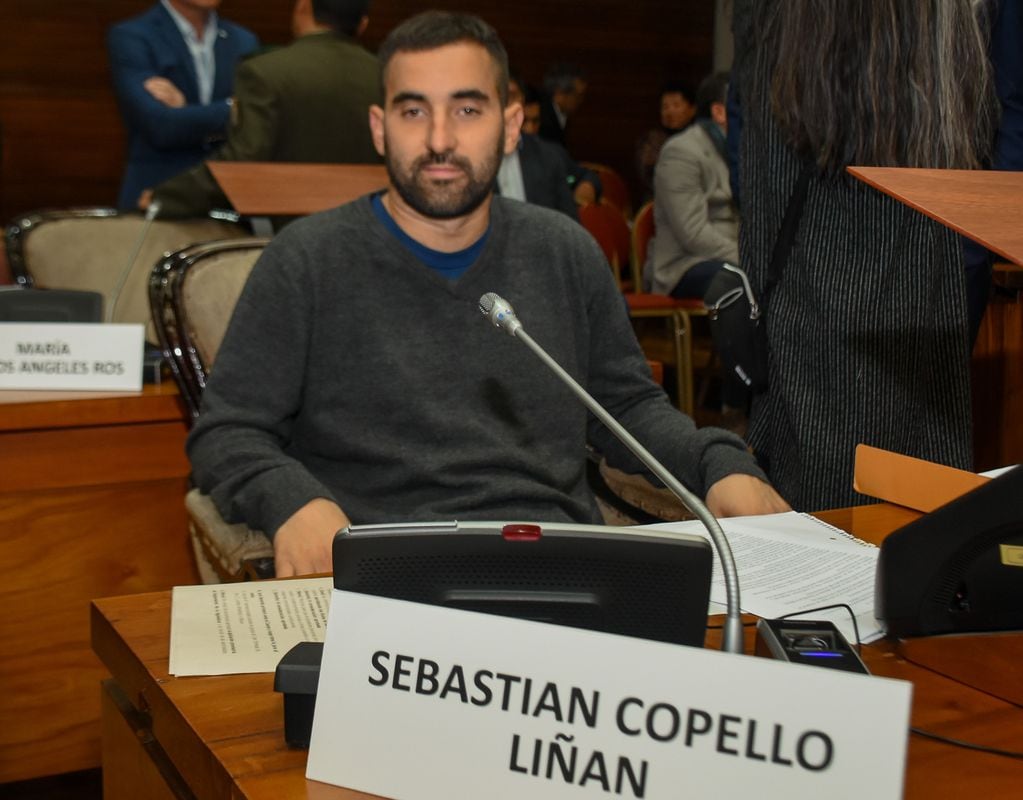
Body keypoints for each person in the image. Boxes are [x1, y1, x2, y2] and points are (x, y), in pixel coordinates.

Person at [186, 10, 789, 578]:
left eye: (468, 111)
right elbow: (228, 432)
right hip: (385, 576)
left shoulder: (564, 251)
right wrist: (294, 503)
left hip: (556, 566)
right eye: (413, 112)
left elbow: (627, 411)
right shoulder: (307, 260)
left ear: (510, 126)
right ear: (379, 128)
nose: (440, 140)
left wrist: (718, 466)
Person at [733, 0, 996, 510]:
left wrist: (759, 289)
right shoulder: (946, 25)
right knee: (918, 498)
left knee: (826, 503)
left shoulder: (784, 23)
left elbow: (763, 172)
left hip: (815, 265)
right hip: (925, 258)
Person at [146, 0, 380, 217]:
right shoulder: (385, 76)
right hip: (370, 223)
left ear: (303, 8)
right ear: (363, 24)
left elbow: (243, 163)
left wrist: (167, 197)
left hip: (286, 230)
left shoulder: (264, 71)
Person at [107, 0, 260, 210]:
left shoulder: (244, 41)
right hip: (155, 196)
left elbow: (254, 122)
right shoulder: (132, 36)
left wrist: (186, 110)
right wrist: (231, 108)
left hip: (224, 200)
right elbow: (160, 126)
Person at [647, 72, 735, 299]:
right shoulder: (681, 151)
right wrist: (748, 257)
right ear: (720, 112)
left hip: (730, 254)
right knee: (740, 278)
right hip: (685, 264)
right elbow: (693, 234)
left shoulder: (739, 149)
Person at [496, 76, 600, 218]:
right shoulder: (466, 156)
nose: (530, 128)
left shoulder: (548, 154)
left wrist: (586, 186)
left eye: (512, 96)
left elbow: (585, 175)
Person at [635, 80, 696, 202]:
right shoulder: (653, 140)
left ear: (692, 109)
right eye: (665, 107)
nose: (670, 112)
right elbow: (649, 174)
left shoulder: (700, 138)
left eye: (676, 105)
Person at [537, 62, 587, 148]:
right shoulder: (543, 120)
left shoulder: (559, 114)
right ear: (559, 94)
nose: (581, 100)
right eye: (578, 95)